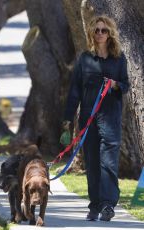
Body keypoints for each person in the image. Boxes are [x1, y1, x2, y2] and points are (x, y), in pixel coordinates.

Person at [62, 15, 129, 221]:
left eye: (104, 30)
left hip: (110, 119)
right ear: (92, 33)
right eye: (97, 30)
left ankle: (108, 205)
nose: (100, 33)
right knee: (92, 163)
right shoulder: (85, 59)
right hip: (88, 120)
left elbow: (126, 84)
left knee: (108, 163)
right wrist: (67, 119)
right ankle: (95, 205)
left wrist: (116, 85)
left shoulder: (119, 59)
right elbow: (74, 90)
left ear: (110, 34)